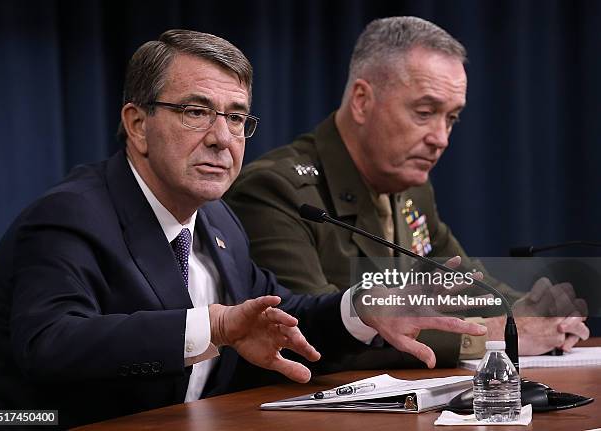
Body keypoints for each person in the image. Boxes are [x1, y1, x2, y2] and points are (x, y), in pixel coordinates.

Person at [0, 29, 487, 428]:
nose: (222, 139)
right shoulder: (71, 216)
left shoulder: (217, 219)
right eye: (196, 112)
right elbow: (49, 345)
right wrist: (215, 326)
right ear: (138, 125)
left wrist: (357, 307)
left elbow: (273, 313)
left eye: (236, 117)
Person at [226, 16, 589, 368]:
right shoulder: (276, 190)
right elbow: (307, 332)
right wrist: (496, 334)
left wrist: (533, 314)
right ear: (362, 101)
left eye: (451, 118)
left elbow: (464, 280)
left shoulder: (411, 189)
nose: (441, 138)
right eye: (425, 112)